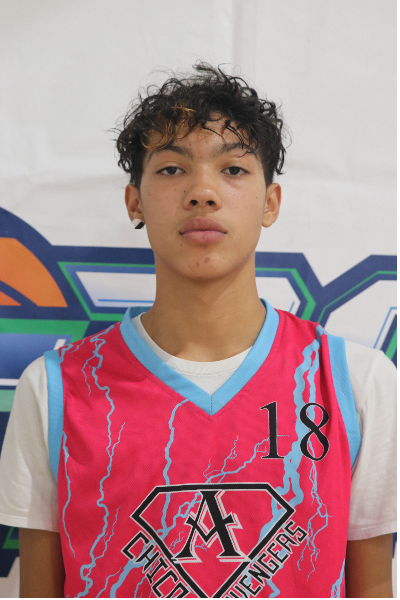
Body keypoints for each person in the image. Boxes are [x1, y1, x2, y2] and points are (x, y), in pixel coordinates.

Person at [0, 63, 396, 599]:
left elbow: (372, 586)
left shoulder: (356, 382)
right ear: (134, 202)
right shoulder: (56, 388)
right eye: (171, 169)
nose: (202, 192)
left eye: (233, 169)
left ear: (270, 203)